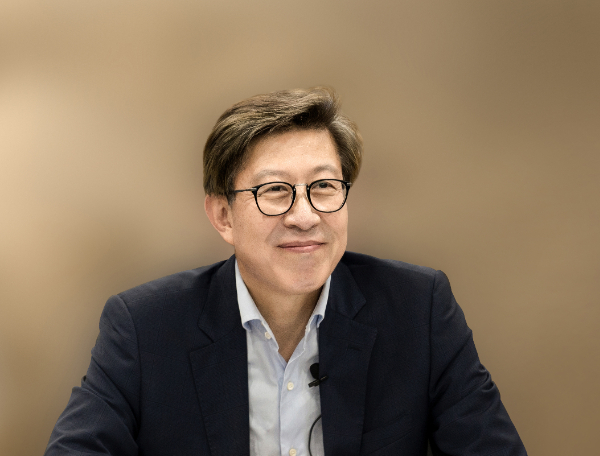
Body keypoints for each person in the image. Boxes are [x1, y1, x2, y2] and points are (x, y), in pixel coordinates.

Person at [45, 87, 526, 456]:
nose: (305, 216)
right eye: (275, 190)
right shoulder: (144, 326)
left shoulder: (418, 309)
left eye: (324, 186)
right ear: (223, 216)